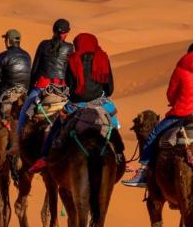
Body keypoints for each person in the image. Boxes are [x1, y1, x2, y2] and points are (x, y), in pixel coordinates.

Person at [122, 41, 193, 187]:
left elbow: (171, 94)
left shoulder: (181, 68)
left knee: (154, 134)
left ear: (188, 54)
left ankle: (144, 172)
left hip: (183, 112)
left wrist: (175, 102)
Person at [29, 33, 123, 172]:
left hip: (77, 105)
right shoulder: (103, 58)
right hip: (100, 103)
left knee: (55, 127)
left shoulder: (72, 59)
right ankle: (120, 156)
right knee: (113, 126)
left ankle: (43, 158)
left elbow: (70, 88)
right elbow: (110, 89)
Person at [15, 19, 74, 149]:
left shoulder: (43, 45)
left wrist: (30, 91)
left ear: (53, 30)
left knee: (24, 113)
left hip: (42, 88)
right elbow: (70, 73)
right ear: (67, 33)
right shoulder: (70, 48)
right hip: (61, 90)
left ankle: (17, 144)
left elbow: (35, 69)